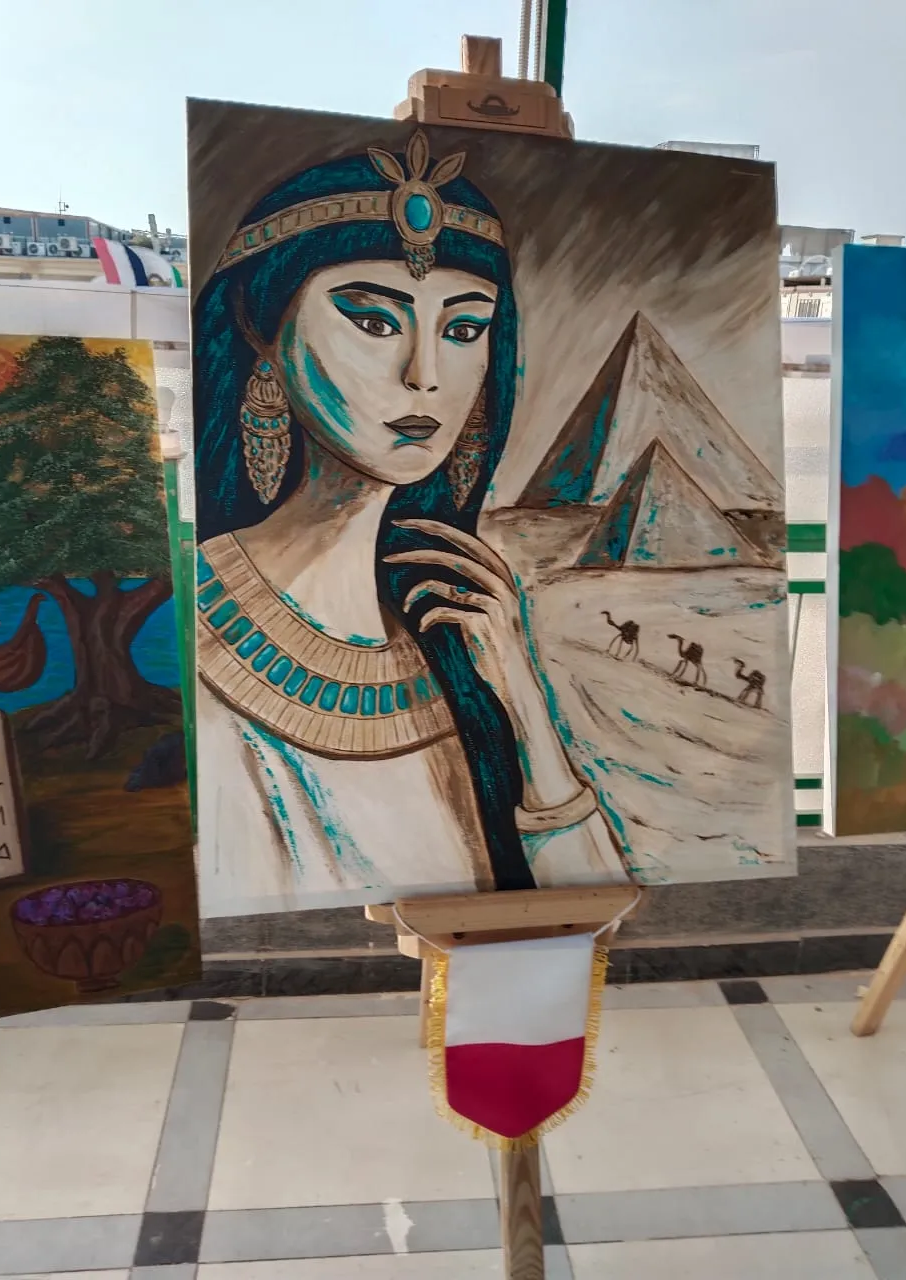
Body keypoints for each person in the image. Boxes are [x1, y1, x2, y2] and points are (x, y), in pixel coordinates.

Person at [194, 129, 629, 914]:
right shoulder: (192, 637)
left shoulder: (455, 630)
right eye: (374, 321)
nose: (425, 377)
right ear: (264, 335)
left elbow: (587, 907)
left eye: (463, 331)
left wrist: (523, 701)